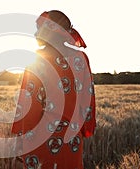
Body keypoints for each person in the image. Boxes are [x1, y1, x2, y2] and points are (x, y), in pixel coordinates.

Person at [11, 10, 96, 169]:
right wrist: (84, 128)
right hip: (72, 139)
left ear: (49, 31)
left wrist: (21, 141)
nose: (36, 33)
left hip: (40, 139)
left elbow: (29, 106)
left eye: (39, 28)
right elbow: (87, 100)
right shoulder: (81, 59)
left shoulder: (37, 61)